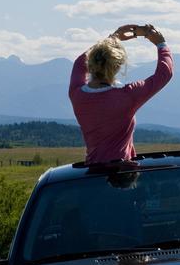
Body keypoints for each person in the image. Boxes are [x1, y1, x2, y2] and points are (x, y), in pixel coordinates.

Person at [68, 24, 173, 164]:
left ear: (91, 63)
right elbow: (164, 74)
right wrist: (161, 44)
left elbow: (79, 63)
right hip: (122, 173)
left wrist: (113, 38)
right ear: (117, 67)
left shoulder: (77, 94)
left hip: (92, 170)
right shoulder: (126, 96)